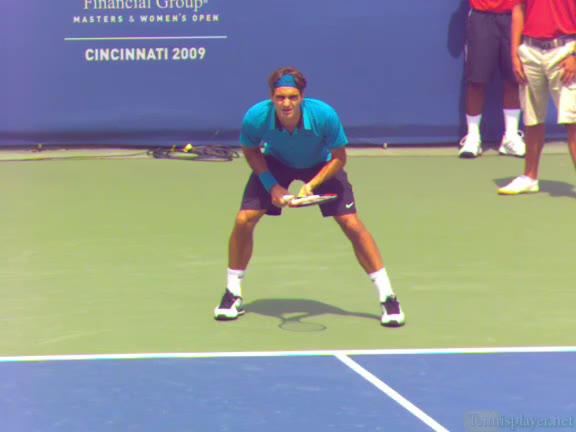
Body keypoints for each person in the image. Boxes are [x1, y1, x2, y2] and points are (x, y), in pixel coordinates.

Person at [213, 66, 405, 327]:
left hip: (321, 165)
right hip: (276, 163)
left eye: (292, 97)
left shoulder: (324, 115)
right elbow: (251, 151)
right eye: (280, 97)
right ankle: (232, 293)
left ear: (302, 96)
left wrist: (312, 184)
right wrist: (272, 186)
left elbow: (339, 158)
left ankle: (388, 297)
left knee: (351, 223)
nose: (286, 103)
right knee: (244, 219)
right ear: (271, 97)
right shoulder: (256, 117)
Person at [498, 0, 576, 194]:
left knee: (573, 120)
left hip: (565, 51)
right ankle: (530, 177)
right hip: (530, 51)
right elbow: (519, 8)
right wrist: (515, 54)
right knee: (532, 118)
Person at [459, 0, 526, 159]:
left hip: (514, 14)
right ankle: (473, 136)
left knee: (514, 78)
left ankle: (510, 137)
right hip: (481, 16)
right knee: (476, 80)